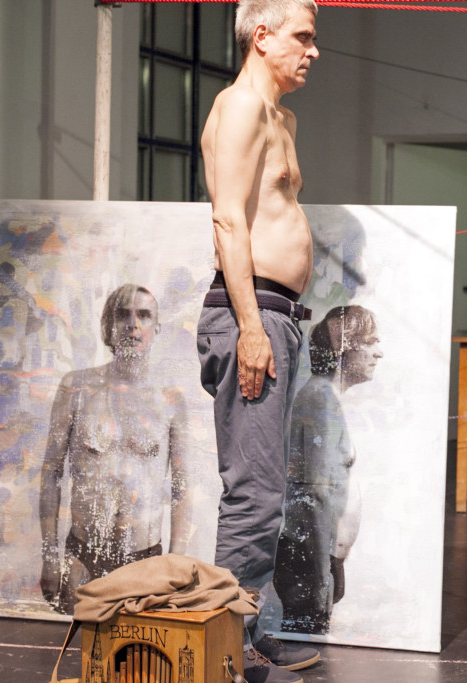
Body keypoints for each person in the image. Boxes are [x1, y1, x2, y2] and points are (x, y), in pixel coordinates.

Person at [196, 1, 320, 680]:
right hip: (252, 314)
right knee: (254, 489)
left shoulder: (282, 118)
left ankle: (256, 626)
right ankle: (225, 643)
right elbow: (227, 221)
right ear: (261, 35)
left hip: (277, 315)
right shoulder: (241, 106)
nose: (313, 49)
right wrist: (249, 327)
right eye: (303, 36)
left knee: (270, 486)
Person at [40, 284, 193, 614]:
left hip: (144, 559)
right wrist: (50, 555)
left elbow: (182, 489)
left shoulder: (170, 400)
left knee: (135, 661)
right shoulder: (76, 387)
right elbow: (51, 474)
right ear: (108, 324)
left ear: (156, 328)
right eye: (123, 315)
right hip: (82, 556)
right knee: (77, 658)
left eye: (144, 315)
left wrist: (176, 565)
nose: (133, 325)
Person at [273, 306, 382, 634]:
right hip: (310, 560)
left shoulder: (324, 398)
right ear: (345, 345)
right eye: (371, 342)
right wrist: (320, 578)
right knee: (306, 649)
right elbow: (315, 498)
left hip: (317, 559)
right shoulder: (320, 400)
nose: (380, 352)